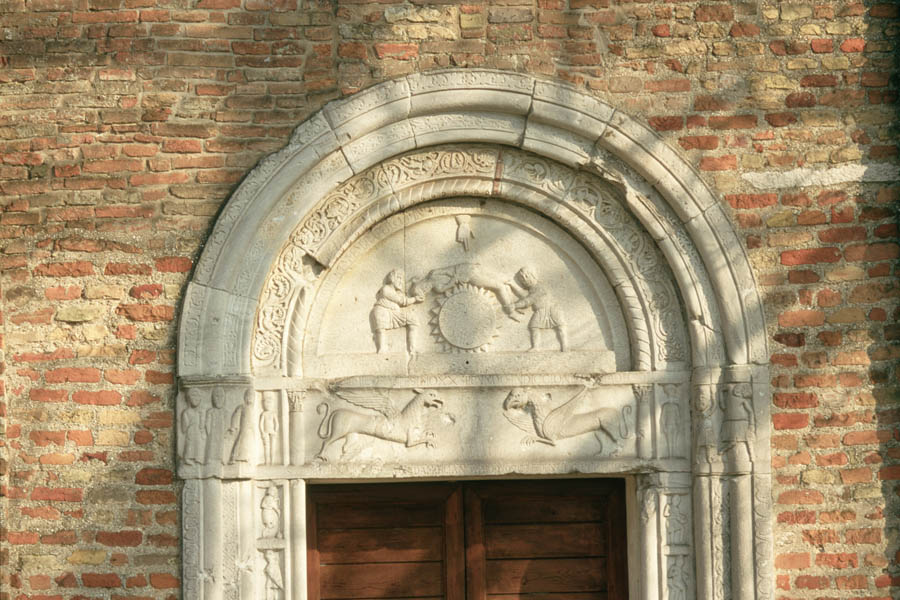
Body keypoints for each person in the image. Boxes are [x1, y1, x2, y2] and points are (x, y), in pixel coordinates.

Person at [506, 267, 568, 351]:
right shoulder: (532, 288)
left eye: (526, 276)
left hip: (552, 309)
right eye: (522, 279)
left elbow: (529, 300)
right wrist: (512, 285)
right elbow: (524, 295)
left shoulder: (540, 287)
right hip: (541, 311)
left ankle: (565, 345)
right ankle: (536, 347)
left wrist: (515, 305)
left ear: (533, 275)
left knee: (560, 326)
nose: (525, 280)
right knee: (534, 326)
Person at [370, 269, 424, 353]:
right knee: (381, 330)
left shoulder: (395, 291)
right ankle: (381, 349)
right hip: (382, 312)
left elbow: (402, 292)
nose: (401, 281)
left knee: (413, 319)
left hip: (393, 313)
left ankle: (412, 348)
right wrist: (415, 299)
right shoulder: (385, 289)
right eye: (399, 278)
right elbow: (402, 301)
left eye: (402, 279)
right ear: (392, 278)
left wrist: (411, 282)